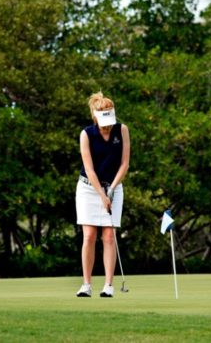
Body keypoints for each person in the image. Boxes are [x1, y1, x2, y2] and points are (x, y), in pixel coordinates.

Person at [75, 92, 130, 298]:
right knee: (89, 235)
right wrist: (102, 195)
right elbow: (89, 169)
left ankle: (108, 285)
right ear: (95, 116)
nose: (107, 125)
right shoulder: (86, 134)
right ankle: (86, 285)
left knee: (109, 236)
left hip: (113, 187)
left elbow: (124, 163)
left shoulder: (121, 130)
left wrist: (113, 189)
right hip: (89, 188)